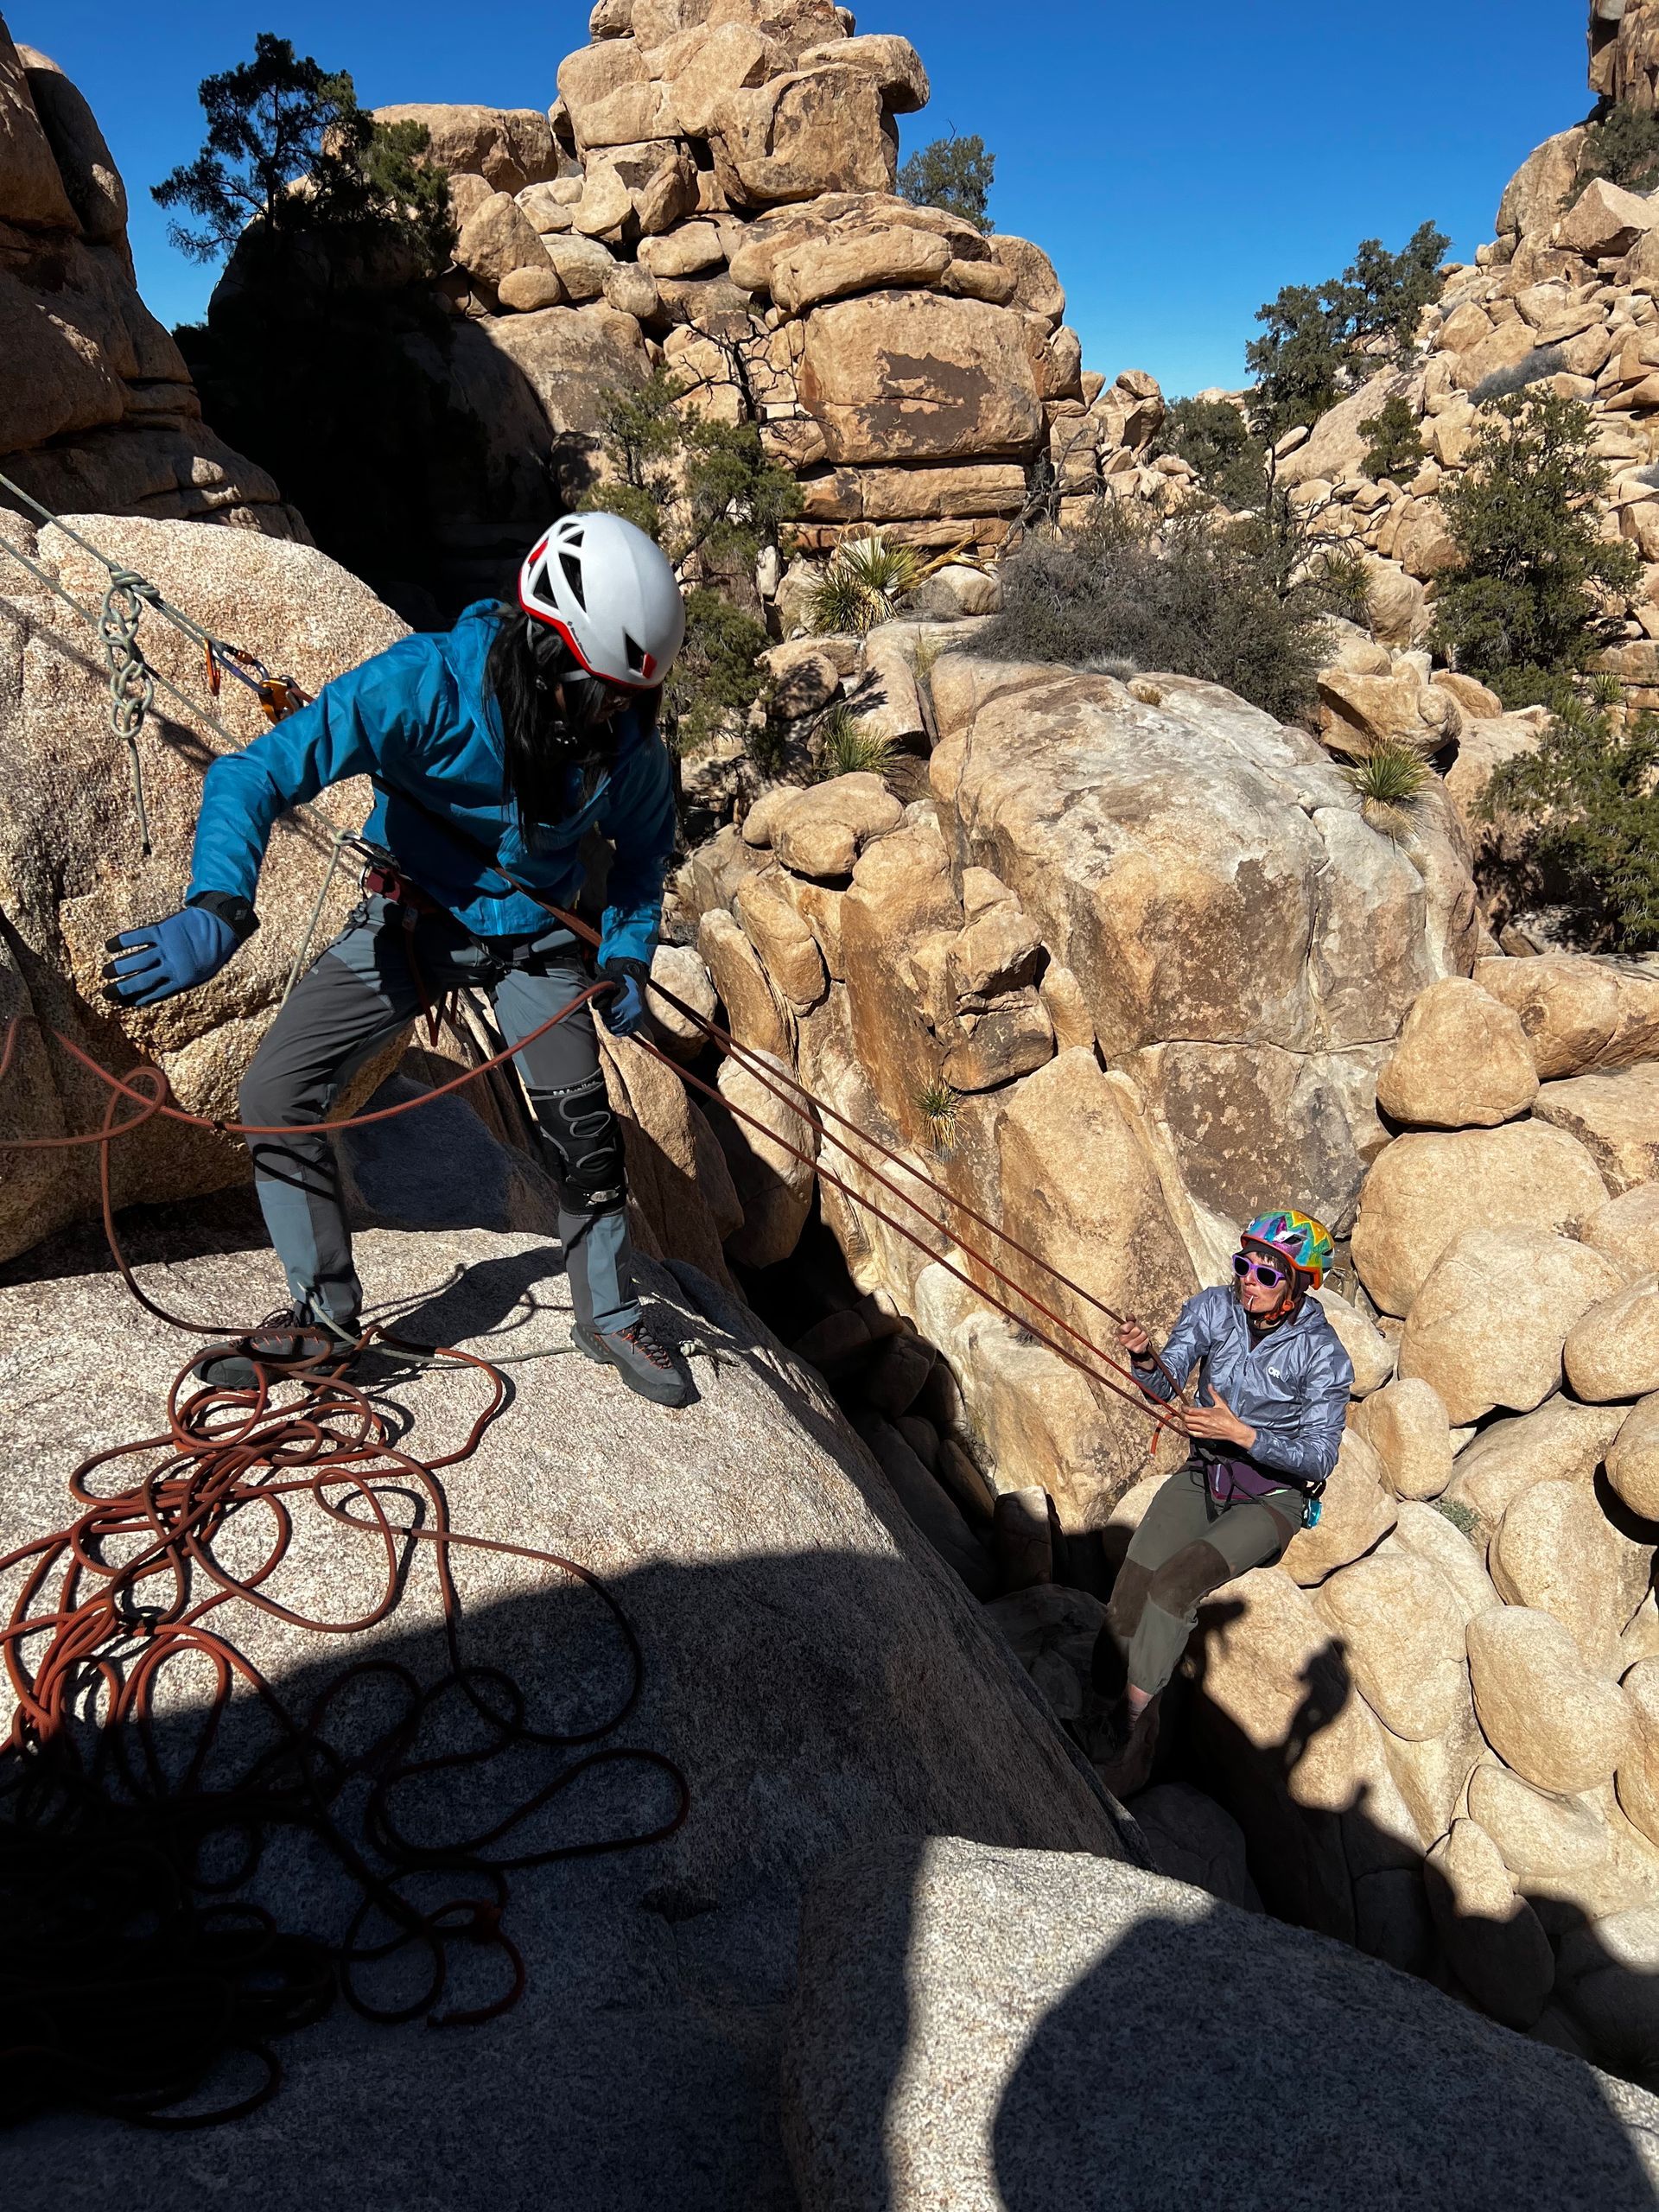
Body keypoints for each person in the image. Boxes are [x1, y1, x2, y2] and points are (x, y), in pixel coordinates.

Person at [102, 512, 691, 1407]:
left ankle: (608, 1313)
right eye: (598, 693)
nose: (614, 718)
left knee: (583, 1132)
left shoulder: (621, 747)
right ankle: (323, 1321)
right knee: (273, 1094)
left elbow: (644, 856)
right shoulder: (422, 689)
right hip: (412, 920)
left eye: (628, 699)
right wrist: (218, 902)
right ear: (544, 651)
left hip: (533, 943)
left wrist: (628, 953)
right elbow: (255, 774)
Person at [1083, 1209, 1353, 1791]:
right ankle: (1093, 1715)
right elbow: (1166, 1384)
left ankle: (1130, 1730)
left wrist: (1245, 1435)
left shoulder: (1325, 1356)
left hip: (1272, 1499)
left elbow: (1320, 1456)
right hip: (1206, 1474)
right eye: (1244, 1265)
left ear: (1299, 1284)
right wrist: (1144, 1356)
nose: (1248, 1281)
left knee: (1174, 1586)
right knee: (1128, 1593)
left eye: (1267, 1273)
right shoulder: (1213, 1308)